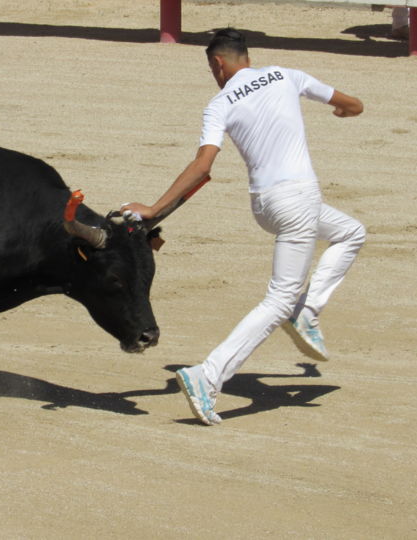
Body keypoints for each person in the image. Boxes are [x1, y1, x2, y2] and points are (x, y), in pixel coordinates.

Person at [120, 28, 366, 426]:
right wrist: (344, 111)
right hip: (299, 199)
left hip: (266, 204)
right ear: (245, 56)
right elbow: (353, 105)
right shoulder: (288, 75)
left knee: (351, 232)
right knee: (281, 300)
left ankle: (307, 311)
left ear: (218, 64)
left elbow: (202, 166)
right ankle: (209, 374)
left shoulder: (219, 102)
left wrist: (153, 209)